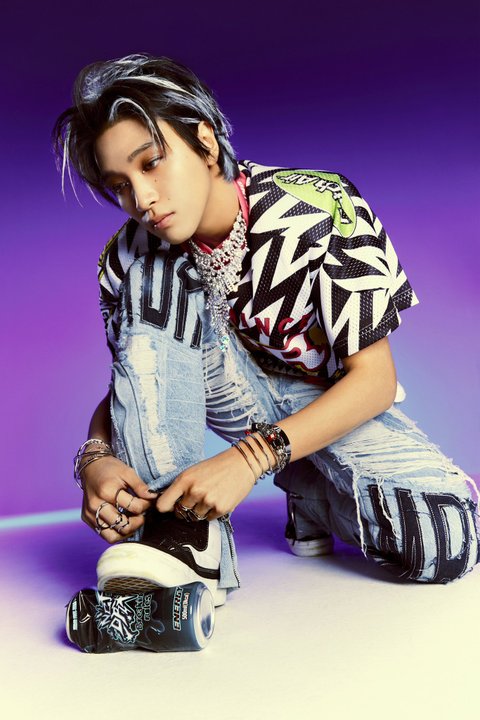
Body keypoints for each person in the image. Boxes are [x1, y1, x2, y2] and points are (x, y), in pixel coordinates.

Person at [53, 53, 479, 610]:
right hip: (223, 393)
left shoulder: (318, 208)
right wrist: (95, 456)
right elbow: (137, 383)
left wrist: (252, 460)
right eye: (120, 185)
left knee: (444, 537)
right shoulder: (127, 257)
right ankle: (181, 542)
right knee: (151, 272)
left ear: (205, 143)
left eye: (152, 163)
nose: (142, 199)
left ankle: (312, 490)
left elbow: (374, 380)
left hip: (327, 405)